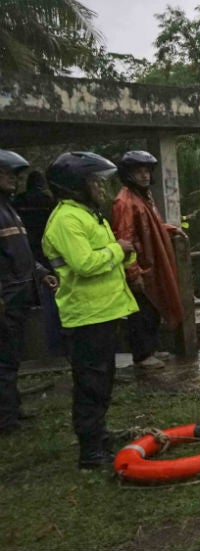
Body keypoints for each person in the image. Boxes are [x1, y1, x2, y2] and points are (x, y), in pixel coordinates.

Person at [41, 152, 138, 468]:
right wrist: (117, 249)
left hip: (104, 311)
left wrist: (124, 257)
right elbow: (84, 264)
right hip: (86, 314)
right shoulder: (67, 219)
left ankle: (98, 434)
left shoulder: (87, 214)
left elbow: (104, 256)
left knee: (102, 378)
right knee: (91, 382)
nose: (100, 187)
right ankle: (91, 449)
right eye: (93, 181)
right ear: (74, 186)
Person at [1, 150, 59, 436]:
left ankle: (12, 412)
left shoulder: (10, 209)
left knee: (12, 359)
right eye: (6, 173)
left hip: (19, 296)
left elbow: (21, 252)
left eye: (14, 174)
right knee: (3, 362)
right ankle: (6, 421)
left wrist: (40, 272)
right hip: (6, 299)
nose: (12, 179)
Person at [111, 151, 185, 369]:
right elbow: (125, 238)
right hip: (142, 265)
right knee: (141, 312)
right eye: (138, 172)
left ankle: (150, 349)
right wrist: (133, 272)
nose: (144, 176)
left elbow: (150, 226)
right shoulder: (124, 201)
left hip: (152, 264)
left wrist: (171, 230)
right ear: (128, 174)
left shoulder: (143, 196)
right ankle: (142, 355)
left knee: (153, 309)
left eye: (146, 171)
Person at [11, 169, 63, 356]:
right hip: (48, 254)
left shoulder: (18, 202)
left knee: (34, 300)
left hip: (26, 252)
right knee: (53, 297)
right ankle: (58, 347)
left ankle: (42, 347)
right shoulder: (51, 201)